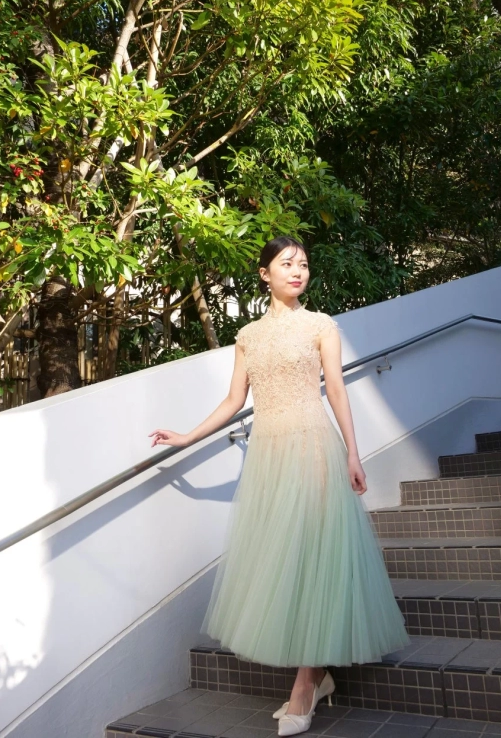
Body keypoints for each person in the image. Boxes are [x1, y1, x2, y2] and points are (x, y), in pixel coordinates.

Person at [149, 236, 410, 736]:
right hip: (269, 454)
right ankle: (317, 675)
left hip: (314, 446)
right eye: (287, 264)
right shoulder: (247, 334)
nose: (298, 270)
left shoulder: (320, 325)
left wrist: (354, 453)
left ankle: (304, 687)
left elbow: (335, 388)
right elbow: (233, 401)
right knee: (285, 559)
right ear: (264, 273)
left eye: (304, 264)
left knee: (315, 554)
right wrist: (186, 436)